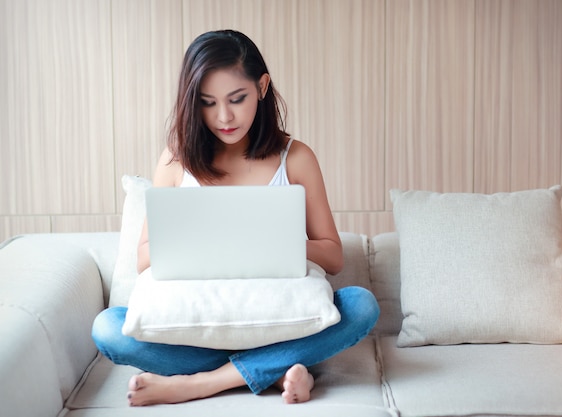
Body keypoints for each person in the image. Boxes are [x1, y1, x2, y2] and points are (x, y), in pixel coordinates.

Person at [91, 29, 380, 407]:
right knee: (107, 328)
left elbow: (334, 256)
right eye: (207, 103)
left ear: (262, 87)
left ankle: (201, 383)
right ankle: (273, 371)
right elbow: (143, 258)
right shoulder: (175, 160)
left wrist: (274, 244)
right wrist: (204, 244)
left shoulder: (296, 158)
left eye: (237, 99)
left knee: (361, 305)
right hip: (198, 325)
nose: (223, 117)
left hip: (276, 322)